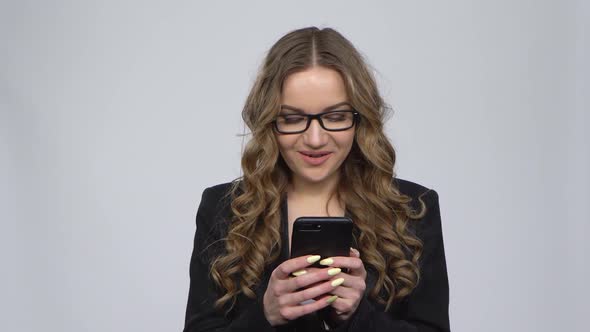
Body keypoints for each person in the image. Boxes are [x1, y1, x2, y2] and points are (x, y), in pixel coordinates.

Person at [183, 26, 450, 332]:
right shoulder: (224, 209)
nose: (315, 139)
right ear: (270, 121)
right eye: (293, 118)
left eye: (335, 117)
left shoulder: (414, 207)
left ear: (359, 119)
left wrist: (356, 317)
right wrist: (265, 316)